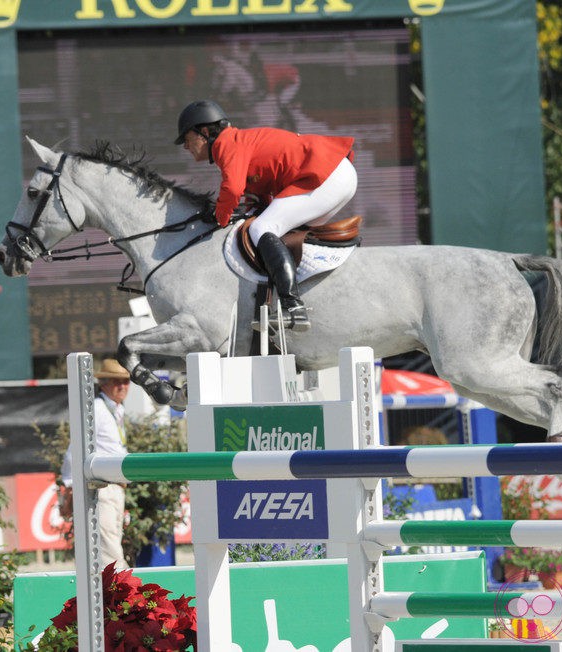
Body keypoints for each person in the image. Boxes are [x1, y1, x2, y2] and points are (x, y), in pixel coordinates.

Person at [175, 99, 357, 332]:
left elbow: (232, 189)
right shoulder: (237, 143)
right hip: (337, 175)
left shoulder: (226, 144)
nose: (185, 146)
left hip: (327, 174)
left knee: (261, 229)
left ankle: (293, 308)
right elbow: (258, 199)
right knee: (282, 232)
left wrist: (219, 218)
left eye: (187, 138)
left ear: (206, 131)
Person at [59, 359, 132, 568]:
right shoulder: (98, 410)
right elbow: (75, 449)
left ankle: (116, 594)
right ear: (104, 384)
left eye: (126, 381)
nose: (123, 386)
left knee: (109, 546)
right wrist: (71, 485)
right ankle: (126, 595)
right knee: (110, 553)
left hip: (115, 489)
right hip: (103, 489)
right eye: (117, 381)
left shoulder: (115, 409)